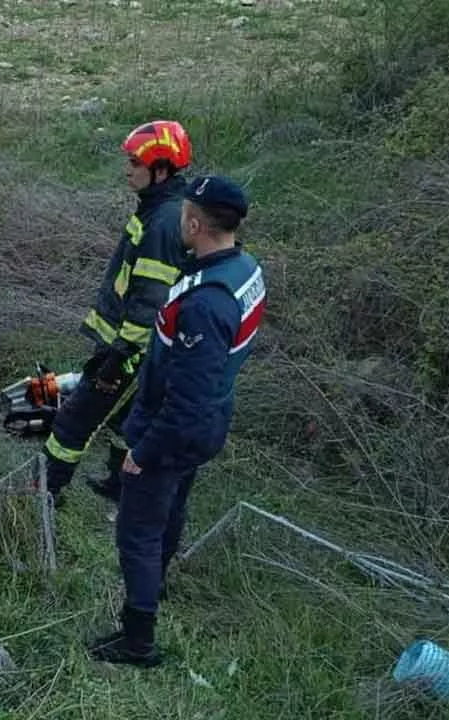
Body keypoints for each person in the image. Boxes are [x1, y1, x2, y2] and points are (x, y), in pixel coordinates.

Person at [87, 175, 267, 668]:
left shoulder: (206, 306)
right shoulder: (244, 268)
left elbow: (185, 400)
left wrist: (142, 452)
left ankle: (137, 638)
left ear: (194, 223)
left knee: (137, 532)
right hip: (208, 419)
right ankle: (158, 583)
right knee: (173, 506)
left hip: (176, 428)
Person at [41, 120, 193, 508]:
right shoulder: (159, 210)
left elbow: (149, 301)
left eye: (134, 163)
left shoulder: (162, 223)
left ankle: (45, 492)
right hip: (132, 345)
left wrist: (119, 357)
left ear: (159, 169)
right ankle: (119, 484)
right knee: (130, 420)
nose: (127, 170)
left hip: (131, 349)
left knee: (74, 420)